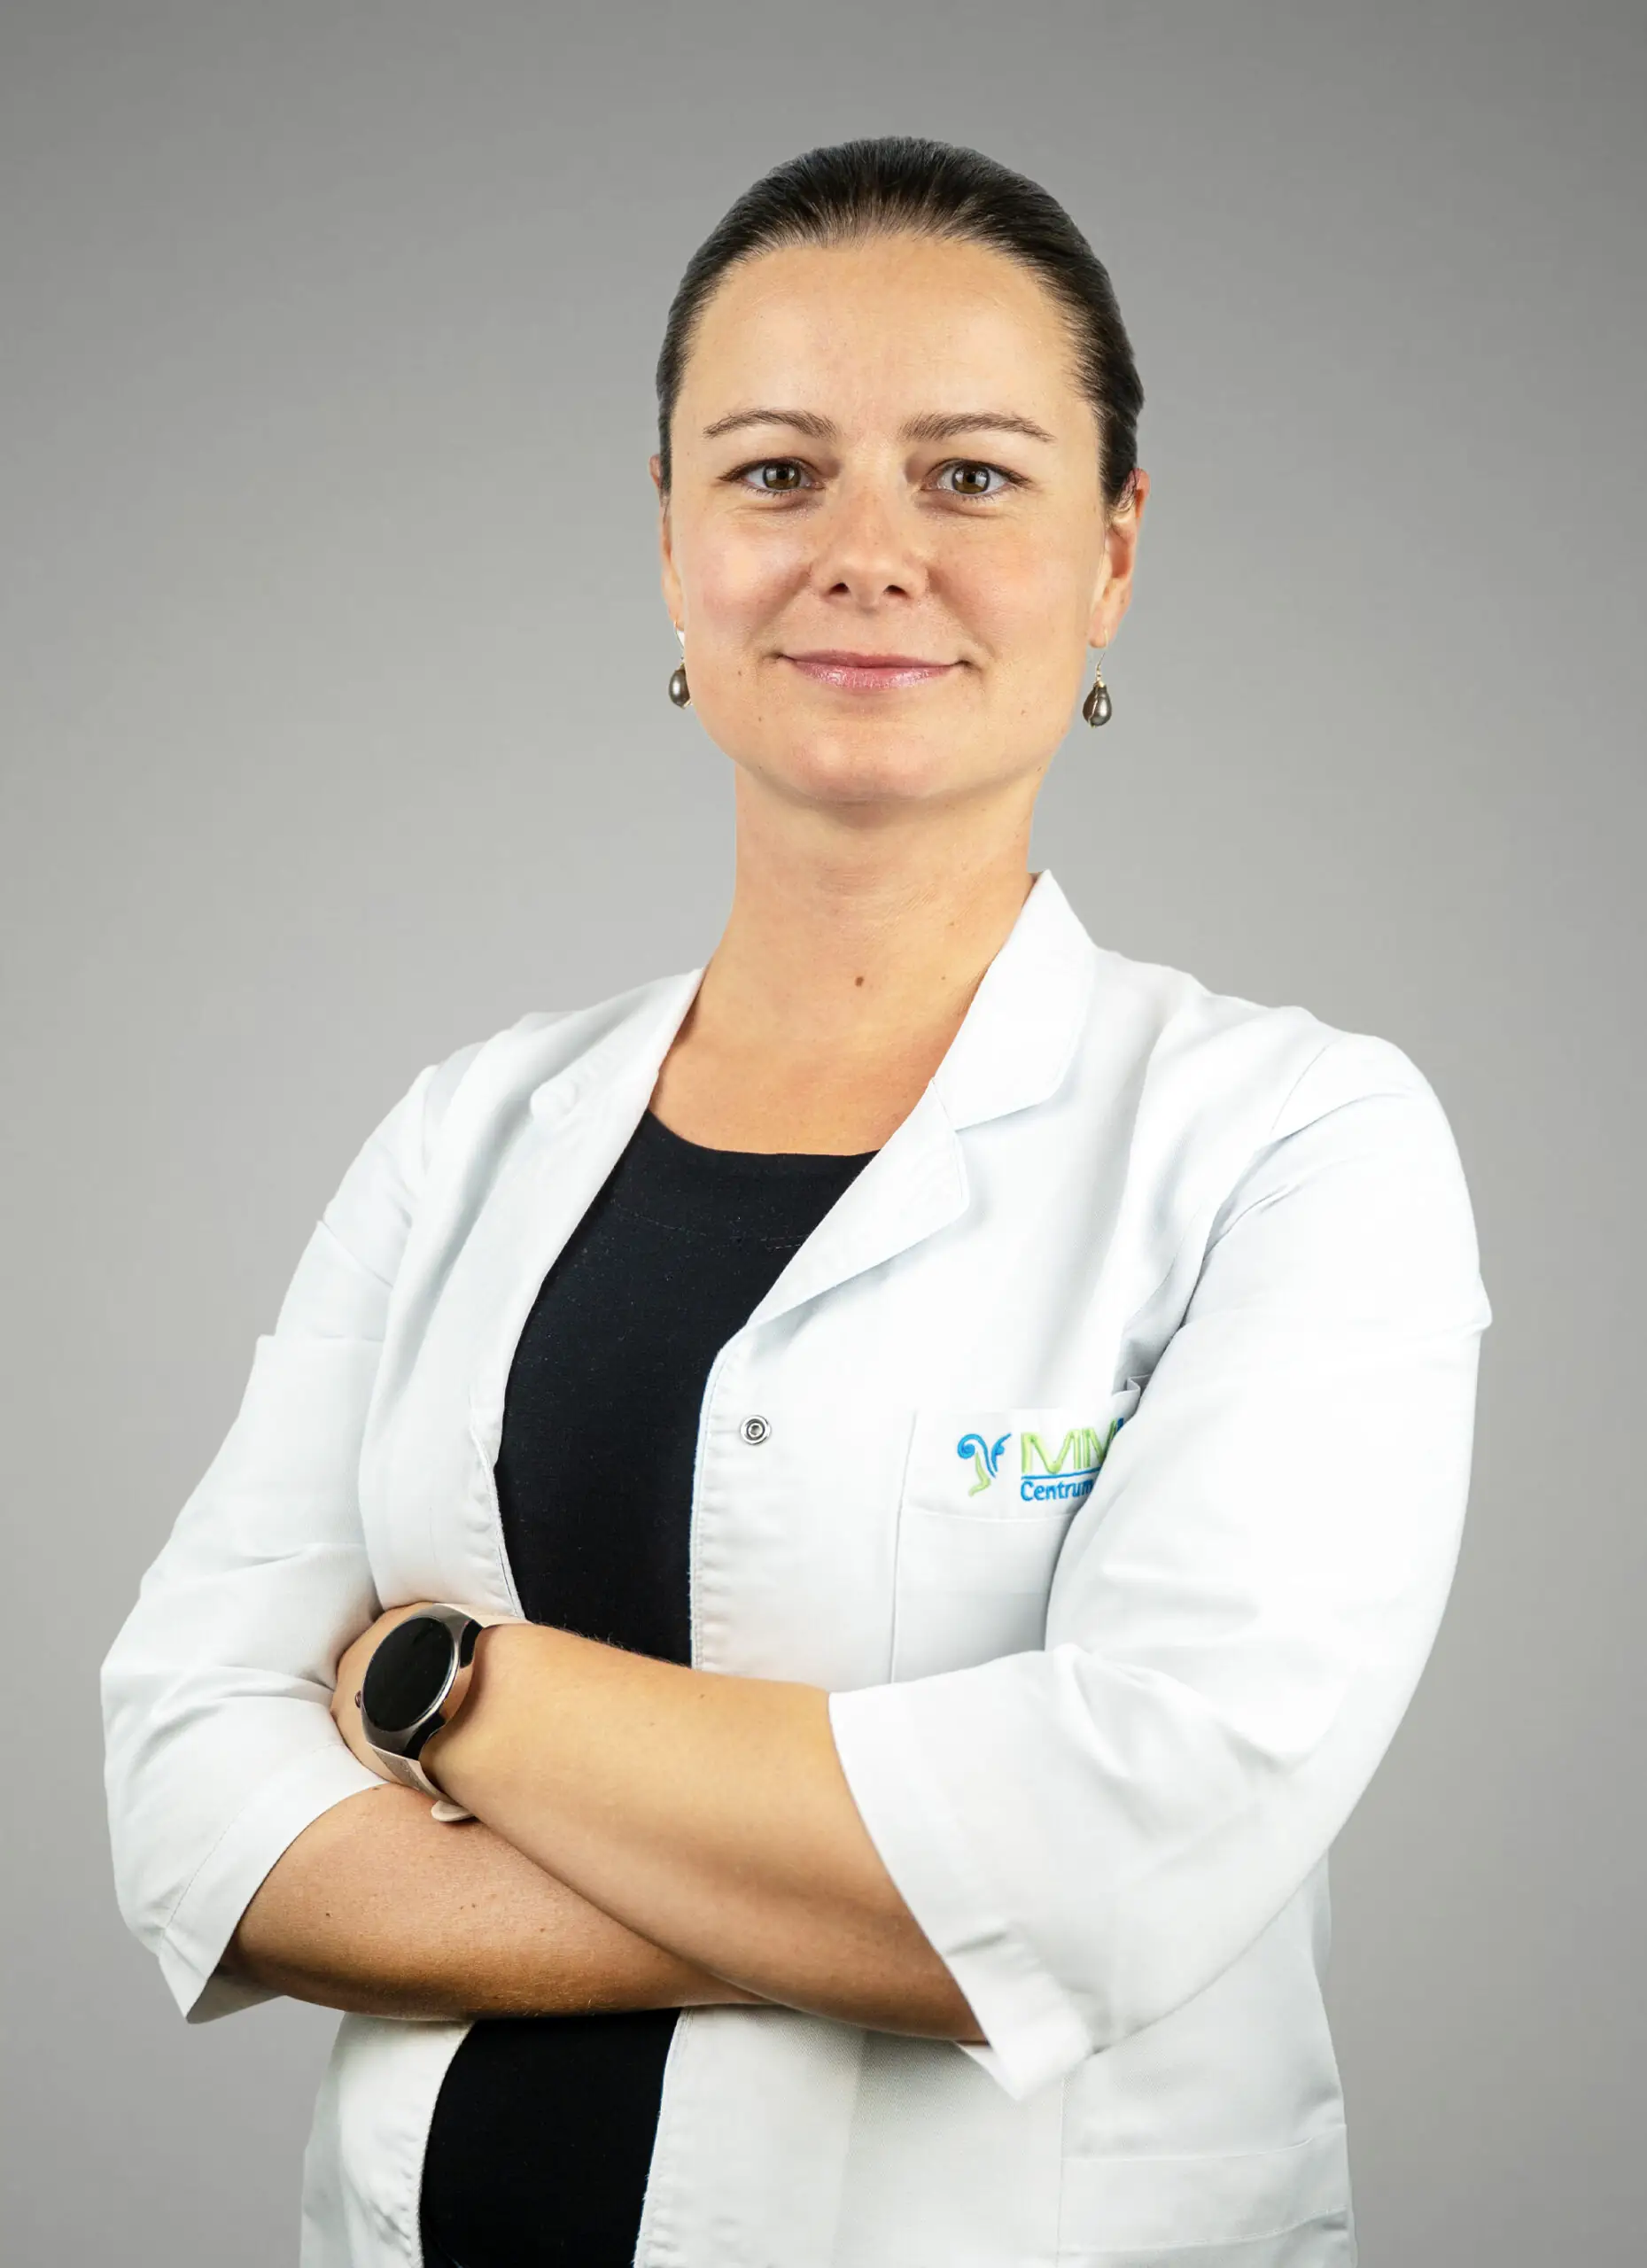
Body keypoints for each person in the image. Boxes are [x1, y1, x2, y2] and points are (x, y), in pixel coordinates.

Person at [99, 136, 1490, 2268]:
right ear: (670, 543)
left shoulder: (1292, 1142)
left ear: (1112, 552)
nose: (863, 555)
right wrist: (885, 1906)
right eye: (772, 473)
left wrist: (440, 1688)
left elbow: (1119, 1847)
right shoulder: (467, 1130)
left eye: (968, 476)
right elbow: (192, 1794)